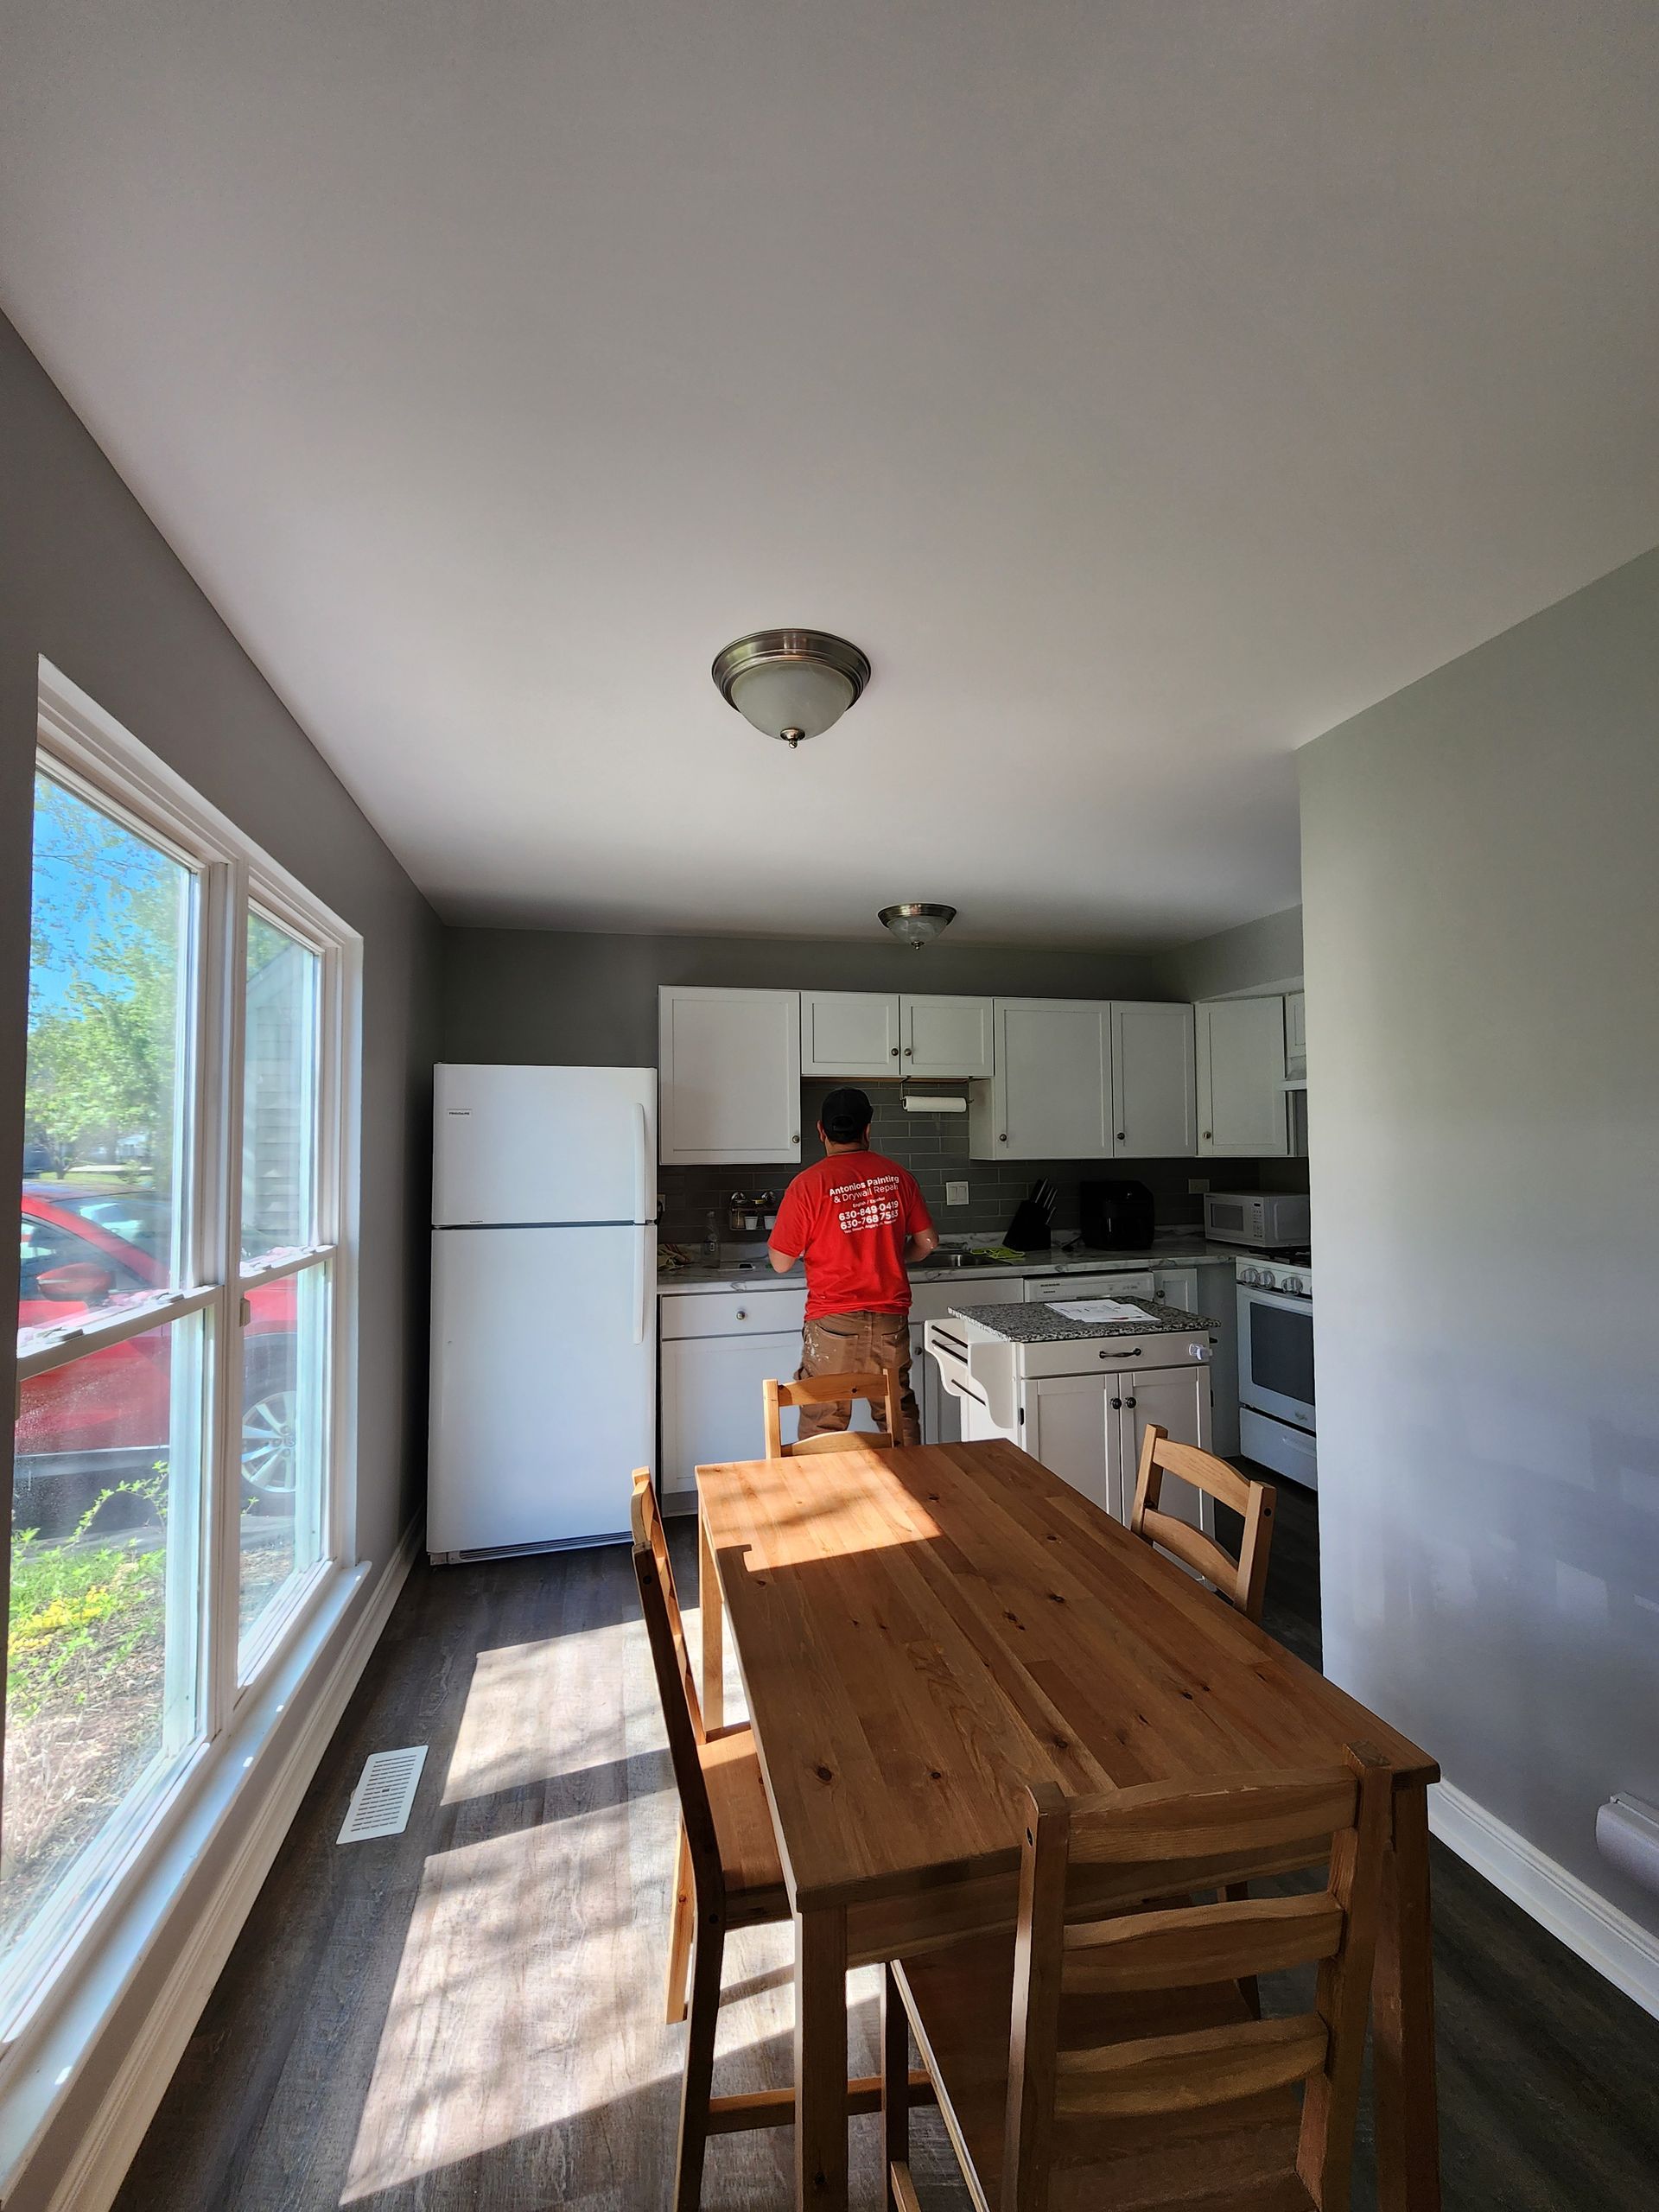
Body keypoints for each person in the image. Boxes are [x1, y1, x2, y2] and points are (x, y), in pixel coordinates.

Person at [766, 1085, 938, 1446]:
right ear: (867, 1130)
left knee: (822, 1417)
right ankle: (913, 1488)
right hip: (891, 1319)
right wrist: (888, 1253)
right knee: (897, 1411)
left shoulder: (807, 1186)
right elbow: (927, 1243)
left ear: (821, 1131)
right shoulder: (898, 1177)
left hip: (832, 1323)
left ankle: (821, 1495)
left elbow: (781, 1263)